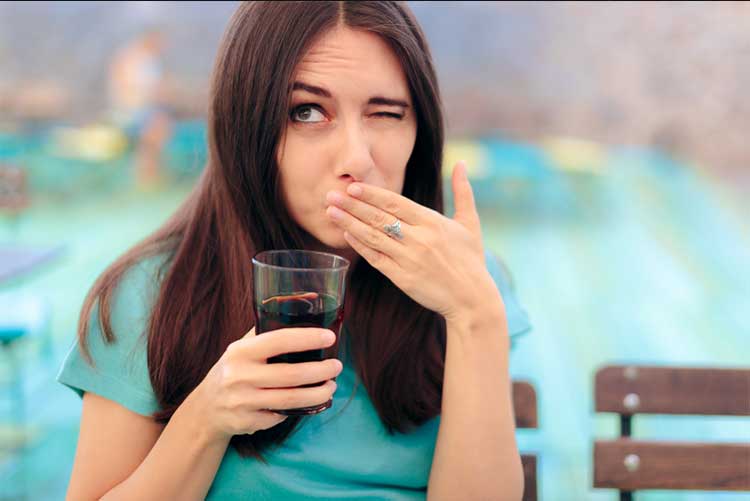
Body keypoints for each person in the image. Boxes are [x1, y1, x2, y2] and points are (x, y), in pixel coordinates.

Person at [57, 2, 532, 499]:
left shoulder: (469, 283)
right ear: (247, 126)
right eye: (307, 112)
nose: (356, 159)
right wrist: (205, 421)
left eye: (386, 113)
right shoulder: (150, 295)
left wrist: (475, 314)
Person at [108, 27, 173, 189]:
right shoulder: (129, 58)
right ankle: (145, 178)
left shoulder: (152, 60)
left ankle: (151, 177)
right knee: (155, 129)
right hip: (131, 111)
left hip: (148, 110)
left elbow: (157, 90)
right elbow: (125, 92)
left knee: (159, 128)